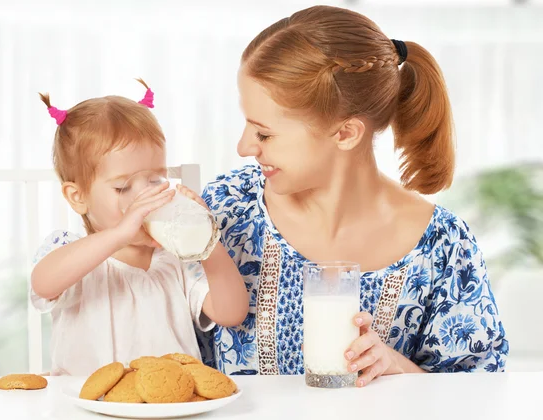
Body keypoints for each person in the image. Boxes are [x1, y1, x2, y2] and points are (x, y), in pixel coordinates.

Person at [201, 6, 508, 386]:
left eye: (264, 133)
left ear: (346, 133)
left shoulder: (443, 247)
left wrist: (398, 368)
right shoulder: (224, 208)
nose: (244, 146)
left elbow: (482, 393)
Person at [30, 80, 248, 376]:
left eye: (155, 180)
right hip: (86, 404)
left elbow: (231, 313)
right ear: (78, 197)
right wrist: (119, 235)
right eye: (122, 187)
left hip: (169, 406)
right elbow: (43, 283)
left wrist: (207, 241)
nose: (144, 196)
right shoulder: (71, 253)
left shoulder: (176, 261)